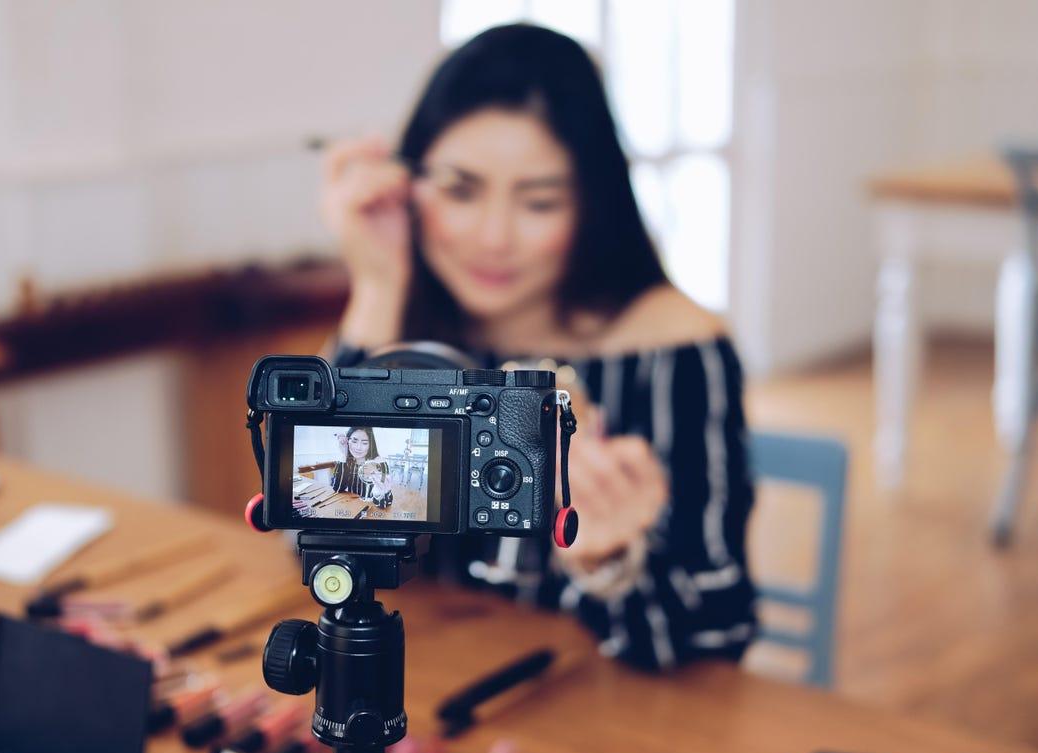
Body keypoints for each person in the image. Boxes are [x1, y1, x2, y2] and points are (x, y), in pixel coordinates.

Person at [319, 24, 755, 670]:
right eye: (460, 191)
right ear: (407, 186)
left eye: (540, 202)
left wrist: (608, 560)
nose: (495, 237)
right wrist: (378, 286)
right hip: (424, 690)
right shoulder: (406, 328)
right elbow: (320, 545)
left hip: (603, 712)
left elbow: (718, 633)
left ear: (592, 204)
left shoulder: (675, 351)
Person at [330, 427, 394, 509]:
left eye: (364, 443)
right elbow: (338, 489)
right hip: (351, 508)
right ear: (348, 441)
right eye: (354, 441)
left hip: (370, 511)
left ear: (370, 444)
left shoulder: (379, 464)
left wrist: (380, 493)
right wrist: (344, 455)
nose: (358, 447)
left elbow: (385, 504)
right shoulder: (348, 462)